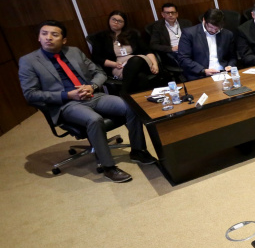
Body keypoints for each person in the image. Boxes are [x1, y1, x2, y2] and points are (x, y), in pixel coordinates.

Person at [19, 21, 156, 183]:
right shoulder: (29, 61)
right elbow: (30, 94)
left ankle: (138, 151)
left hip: (92, 95)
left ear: (64, 40)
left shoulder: (74, 52)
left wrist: (92, 86)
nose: (48, 38)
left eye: (54, 35)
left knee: (131, 106)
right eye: (44, 34)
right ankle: (108, 167)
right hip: (66, 104)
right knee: (94, 119)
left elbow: (99, 72)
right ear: (39, 38)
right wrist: (67, 95)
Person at [89, 11, 159, 98]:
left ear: (124, 23)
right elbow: (96, 57)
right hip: (118, 66)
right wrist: (114, 64)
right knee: (140, 76)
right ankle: (146, 100)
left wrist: (155, 64)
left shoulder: (132, 34)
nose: (116, 22)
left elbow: (147, 50)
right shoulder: (101, 37)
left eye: (119, 21)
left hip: (140, 61)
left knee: (135, 60)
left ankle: (123, 91)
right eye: (114, 19)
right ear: (109, 20)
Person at [176, 8, 237, 81]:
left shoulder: (227, 34)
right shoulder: (189, 33)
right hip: (200, 75)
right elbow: (183, 59)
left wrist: (230, 65)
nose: (214, 31)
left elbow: (232, 57)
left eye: (217, 29)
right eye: (211, 27)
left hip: (224, 73)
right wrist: (202, 70)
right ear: (204, 20)